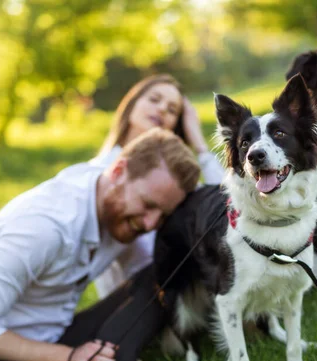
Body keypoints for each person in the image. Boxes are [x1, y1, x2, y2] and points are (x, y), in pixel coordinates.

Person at [0, 129, 201, 361]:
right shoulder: (44, 227)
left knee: (165, 272)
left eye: (161, 216)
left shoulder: (123, 211)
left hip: (60, 339)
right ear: (117, 171)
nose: (150, 224)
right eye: (147, 204)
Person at [92, 74, 224, 298]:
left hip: (181, 286)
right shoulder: (101, 175)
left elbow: (225, 208)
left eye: (173, 110)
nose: (162, 109)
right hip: (132, 296)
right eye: (154, 99)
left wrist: (199, 143)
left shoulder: (171, 185)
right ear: (131, 105)